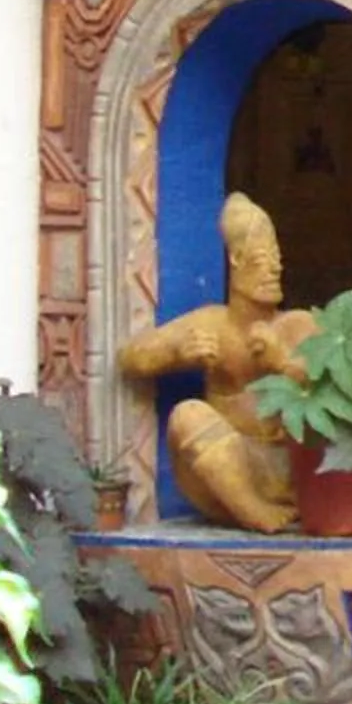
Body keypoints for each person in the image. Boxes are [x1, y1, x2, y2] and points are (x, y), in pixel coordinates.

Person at [116, 193, 316, 532]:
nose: (274, 269)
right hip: (228, 481)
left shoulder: (298, 325)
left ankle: (267, 507)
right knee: (187, 415)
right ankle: (252, 511)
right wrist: (179, 351)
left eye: (277, 260)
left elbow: (341, 390)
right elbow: (131, 358)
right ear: (236, 260)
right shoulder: (213, 323)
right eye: (263, 259)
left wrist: (282, 362)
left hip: (287, 471)